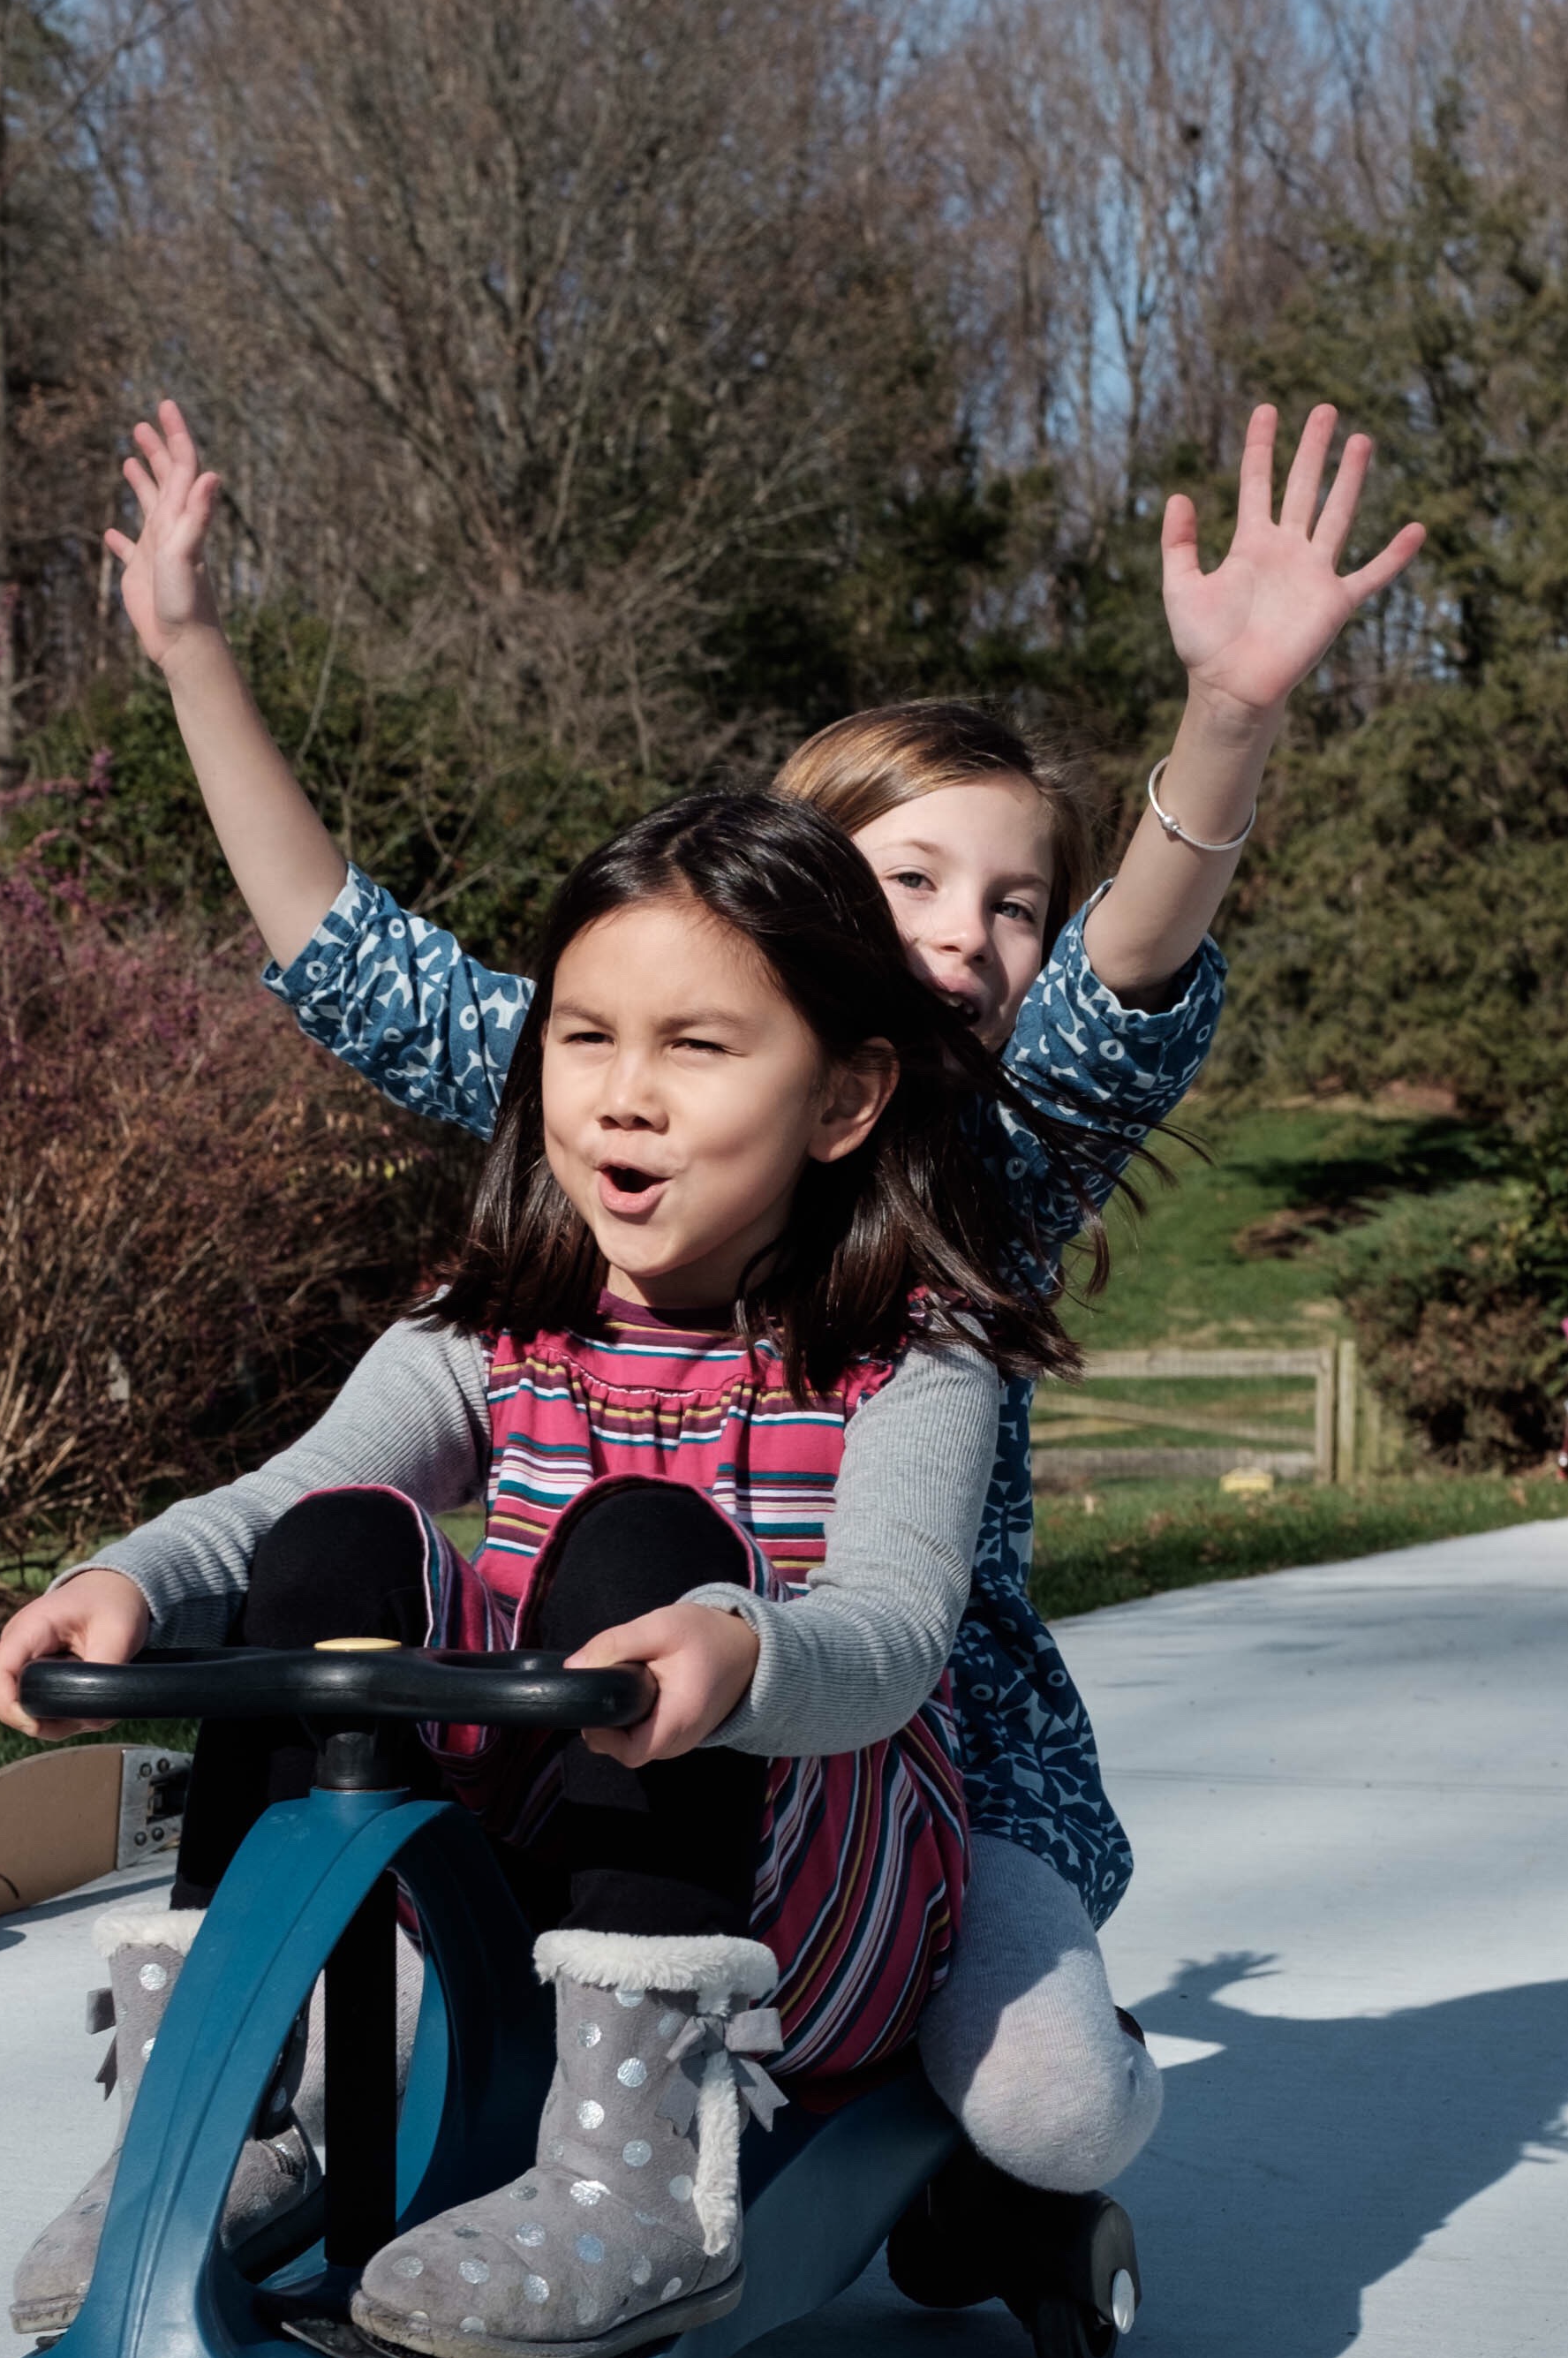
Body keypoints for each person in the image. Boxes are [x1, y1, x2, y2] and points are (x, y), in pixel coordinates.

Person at [79, 400, 1425, 2218]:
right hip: (607, 1714)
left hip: (912, 1727)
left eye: (1013, 902)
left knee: (1042, 2111)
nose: (968, 935)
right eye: (914, 880)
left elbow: (1126, 981)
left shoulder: (999, 1153)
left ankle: (960, 2132)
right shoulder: (651, 1078)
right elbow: (354, 962)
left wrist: (1232, 717)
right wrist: (189, 655)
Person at [0, 794, 1126, 2358]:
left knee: (648, 1542)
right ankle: (202, 2126)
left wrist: (741, 1645)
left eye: (699, 1050)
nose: (622, 1101)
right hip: (537, 1864)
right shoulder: (496, 1324)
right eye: (584, 1038)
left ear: (847, 1098)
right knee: (333, 1548)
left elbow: (893, 1630)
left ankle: (633, 2176)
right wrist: (127, 1579)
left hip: (804, 1888)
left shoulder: (907, 1352)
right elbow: (280, 1492)